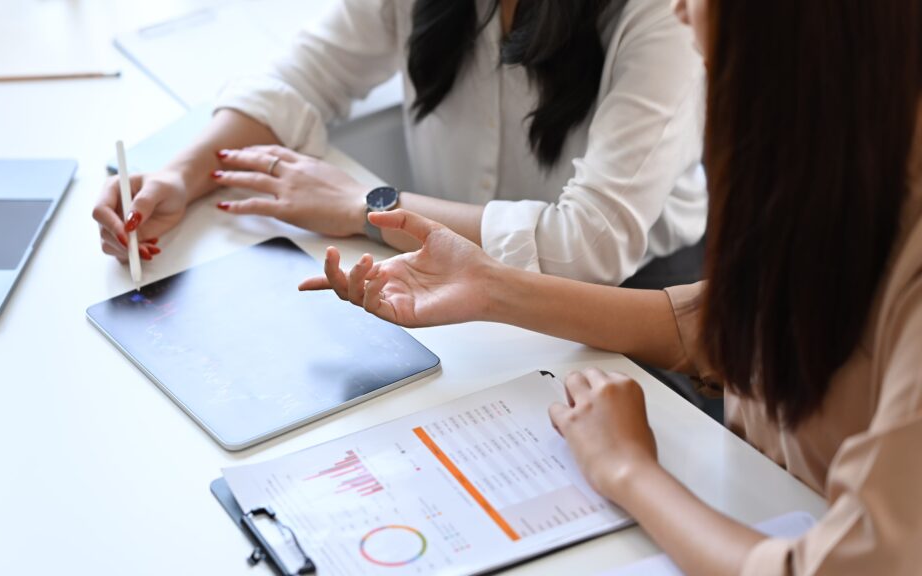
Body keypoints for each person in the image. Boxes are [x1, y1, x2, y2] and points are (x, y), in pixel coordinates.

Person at [301, 0, 922, 573]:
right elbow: (727, 326)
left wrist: (628, 470)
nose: (680, 9)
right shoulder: (823, 147)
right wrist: (489, 286)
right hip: (756, 500)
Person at [92, 0, 707, 285]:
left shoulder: (664, 16)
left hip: (631, 307)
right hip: (456, 283)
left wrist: (368, 209)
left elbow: (588, 246)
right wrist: (180, 175)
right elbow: (306, 76)